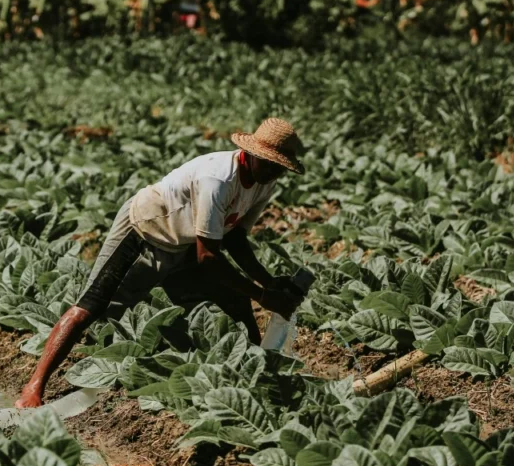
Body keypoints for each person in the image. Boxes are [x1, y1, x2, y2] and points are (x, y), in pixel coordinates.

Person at [16, 118, 306, 408]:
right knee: (91, 308)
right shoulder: (217, 180)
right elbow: (208, 258)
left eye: (279, 167)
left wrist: (266, 283)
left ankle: (256, 372)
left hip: (186, 241)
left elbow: (235, 239)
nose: (272, 172)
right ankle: (33, 387)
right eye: (268, 163)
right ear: (250, 154)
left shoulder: (264, 182)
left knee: (237, 302)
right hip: (145, 229)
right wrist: (264, 296)